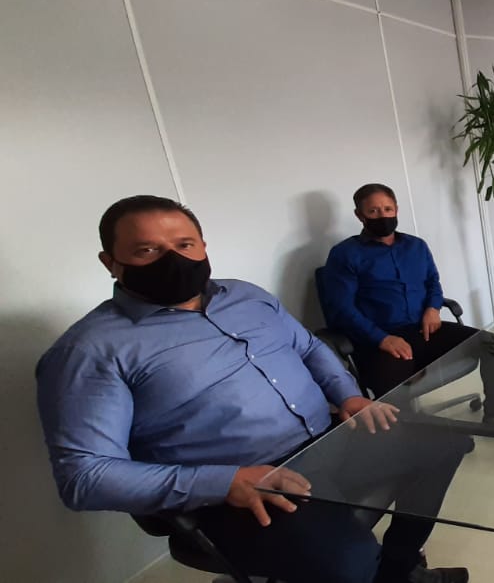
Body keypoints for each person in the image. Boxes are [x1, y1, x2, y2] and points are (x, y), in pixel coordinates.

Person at [36, 195, 471, 583]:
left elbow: (308, 347)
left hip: (326, 441)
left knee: (445, 444)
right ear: (110, 262)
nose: (173, 258)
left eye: (184, 244)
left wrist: (348, 395)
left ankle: (398, 570)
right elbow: (85, 477)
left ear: (203, 247)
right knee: (350, 563)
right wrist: (224, 481)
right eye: (146, 250)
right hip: (240, 487)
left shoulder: (246, 297)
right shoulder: (90, 350)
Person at [321, 183, 494, 425]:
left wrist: (433, 308)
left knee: (492, 344)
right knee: (395, 385)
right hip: (381, 342)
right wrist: (382, 339)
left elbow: (433, 282)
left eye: (387, 209)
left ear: (396, 209)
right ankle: (414, 437)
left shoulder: (416, 246)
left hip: (425, 330)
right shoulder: (345, 254)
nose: (382, 216)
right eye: (373, 211)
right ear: (359, 215)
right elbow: (341, 310)